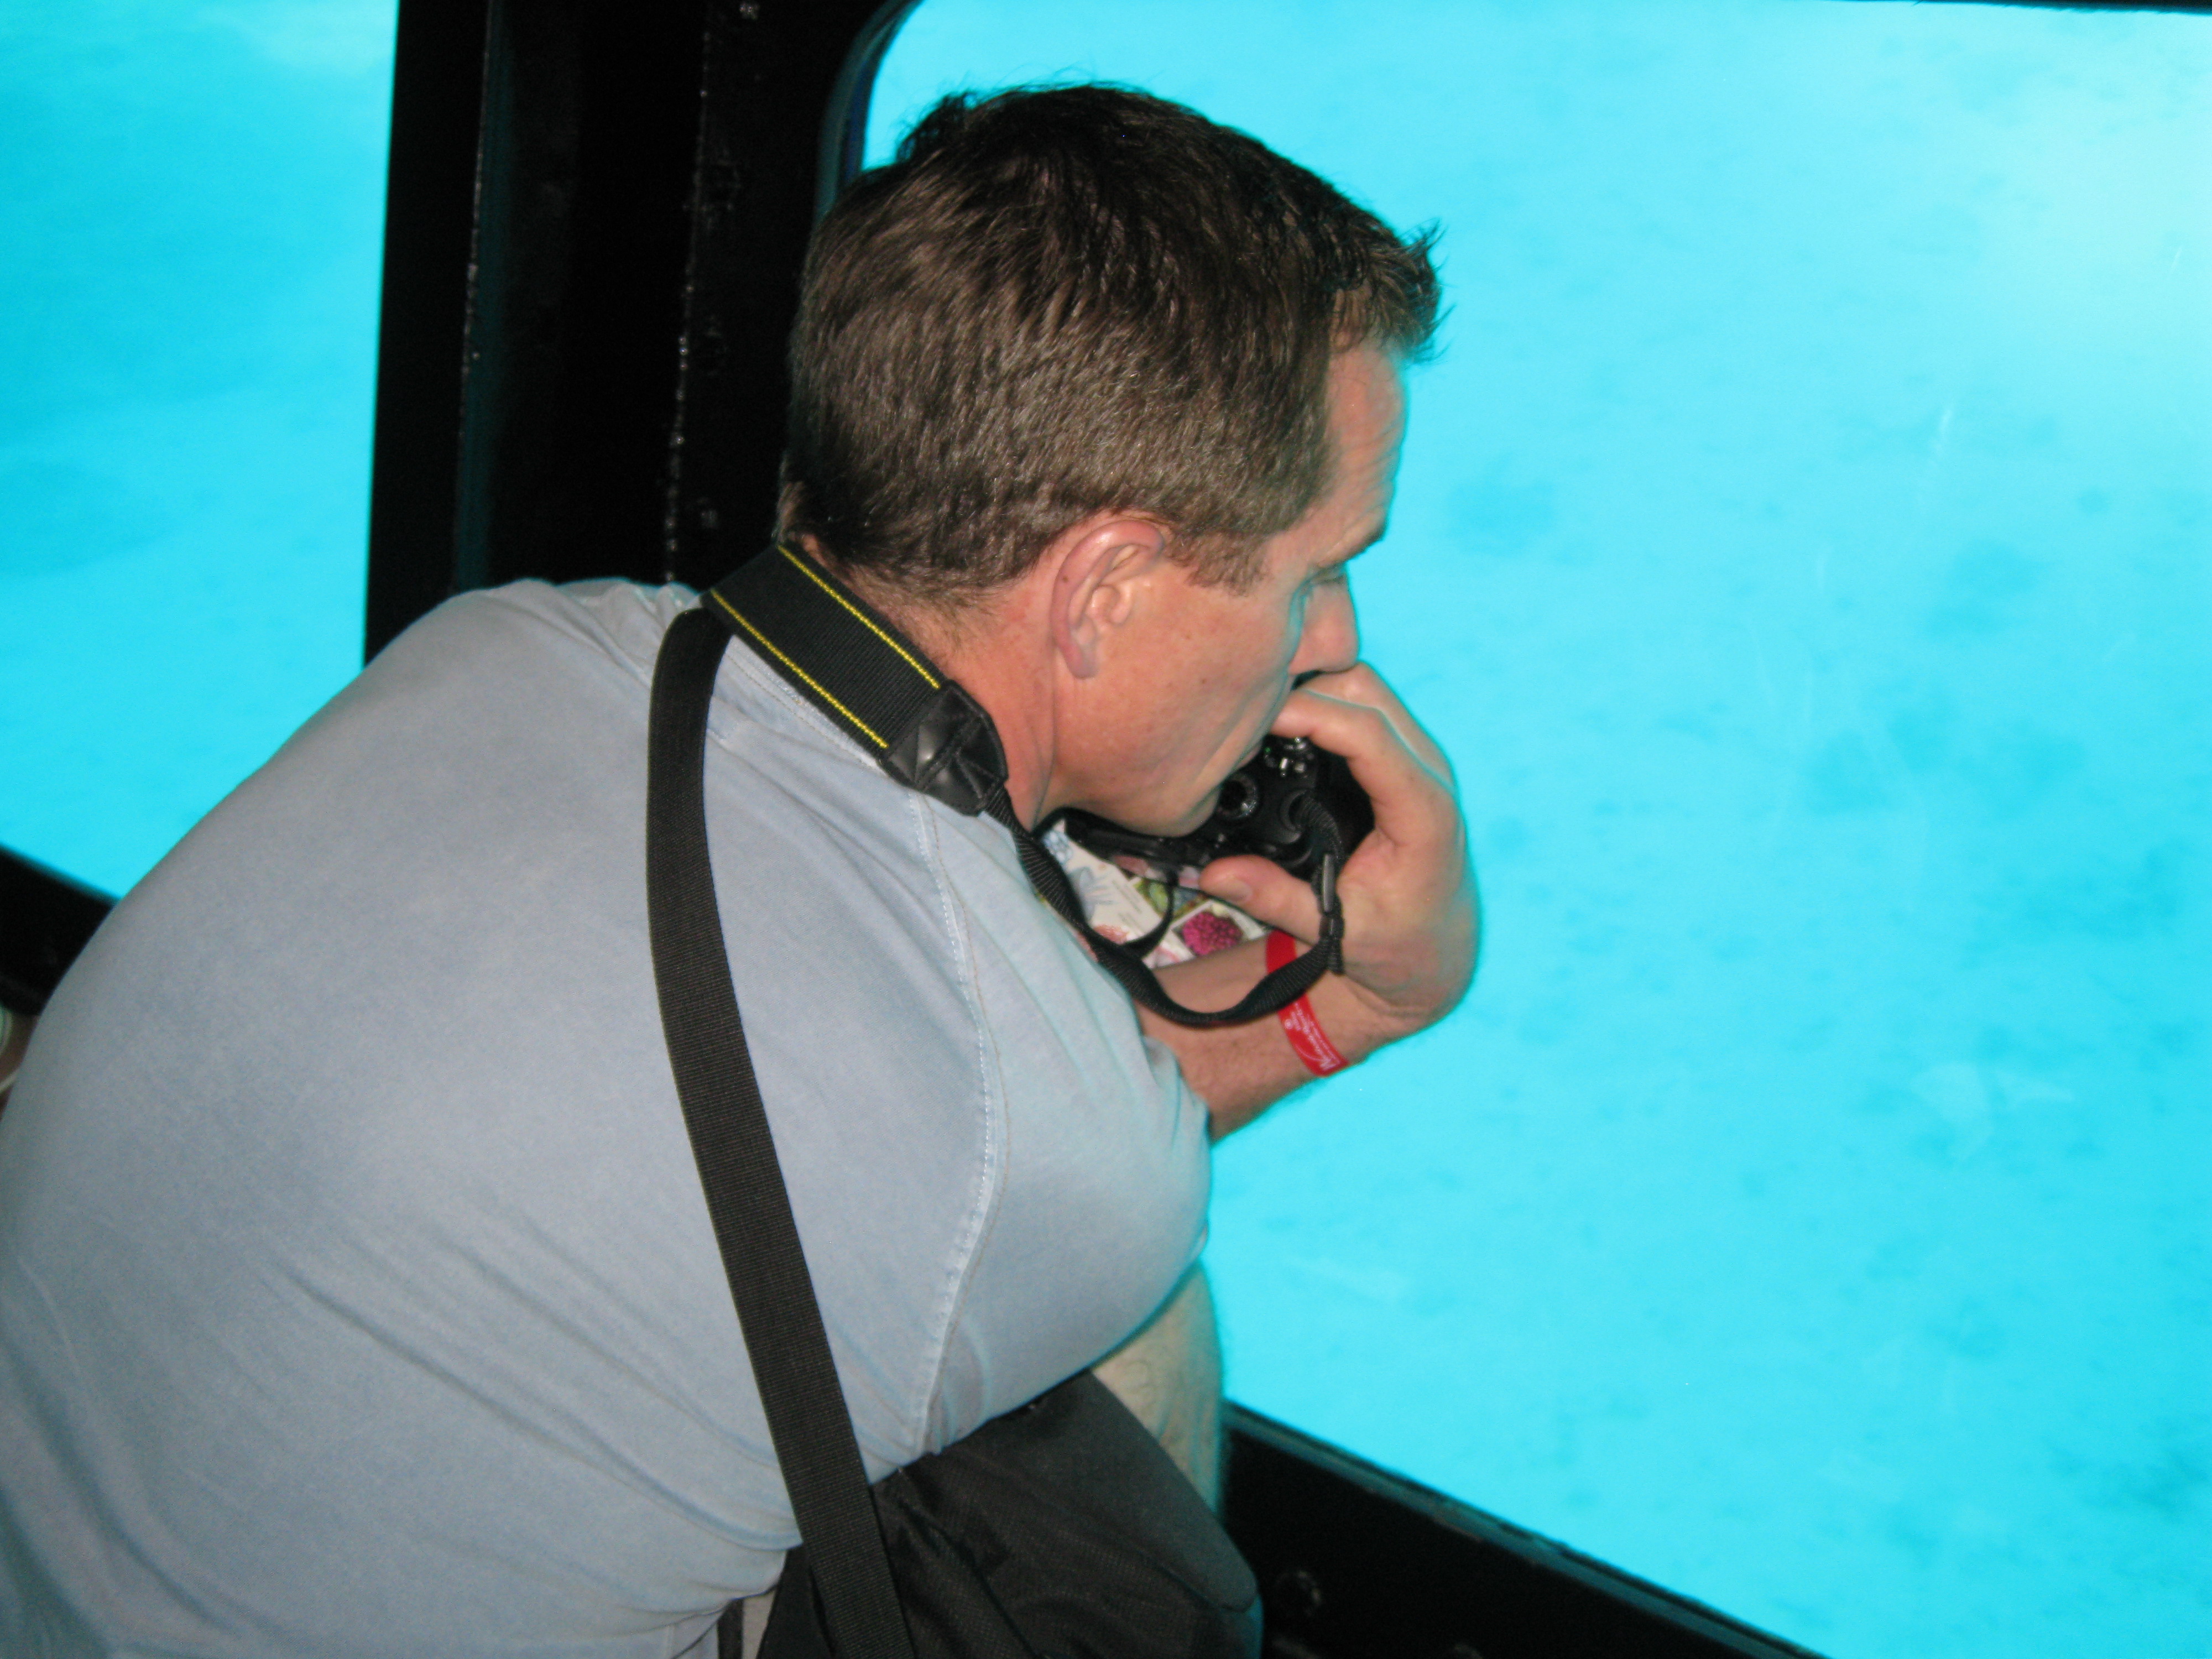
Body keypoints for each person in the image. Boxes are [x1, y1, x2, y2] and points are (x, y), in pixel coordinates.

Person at [0, 86, 1474, 1656]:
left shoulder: (503, 639)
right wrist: (1361, 1006)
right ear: (1102, 588)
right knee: (1141, 1344)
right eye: (1319, 570)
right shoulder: (1050, 1147)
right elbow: (1037, 1162)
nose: (1336, 642)